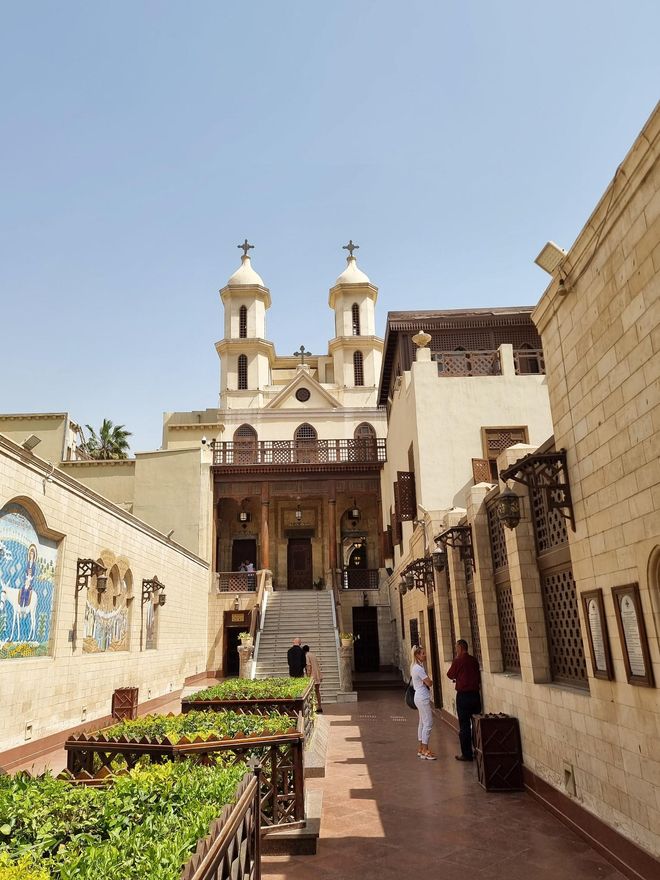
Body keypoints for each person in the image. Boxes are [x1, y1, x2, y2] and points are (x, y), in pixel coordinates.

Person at [447, 638, 482, 762]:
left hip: (463, 697)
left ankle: (467, 754)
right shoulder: (473, 660)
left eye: (457, 647)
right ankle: (478, 750)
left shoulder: (458, 660)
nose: (456, 649)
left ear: (461, 648)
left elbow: (450, 674)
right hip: (475, 696)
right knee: (476, 724)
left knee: (464, 726)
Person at [410, 644, 436, 760]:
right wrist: (430, 680)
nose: (425, 655)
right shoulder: (418, 668)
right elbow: (429, 683)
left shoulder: (415, 667)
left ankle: (421, 748)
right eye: (423, 654)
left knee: (422, 722)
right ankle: (425, 749)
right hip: (422, 697)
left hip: (418, 696)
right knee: (428, 723)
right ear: (417, 655)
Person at [303, 644, 323, 713]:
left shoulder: (306, 655)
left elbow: (308, 666)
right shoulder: (313, 655)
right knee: (317, 691)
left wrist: (308, 676)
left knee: (311, 693)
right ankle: (319, 707)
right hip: (317, 675)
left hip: (312, 676)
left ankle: (312, 708)